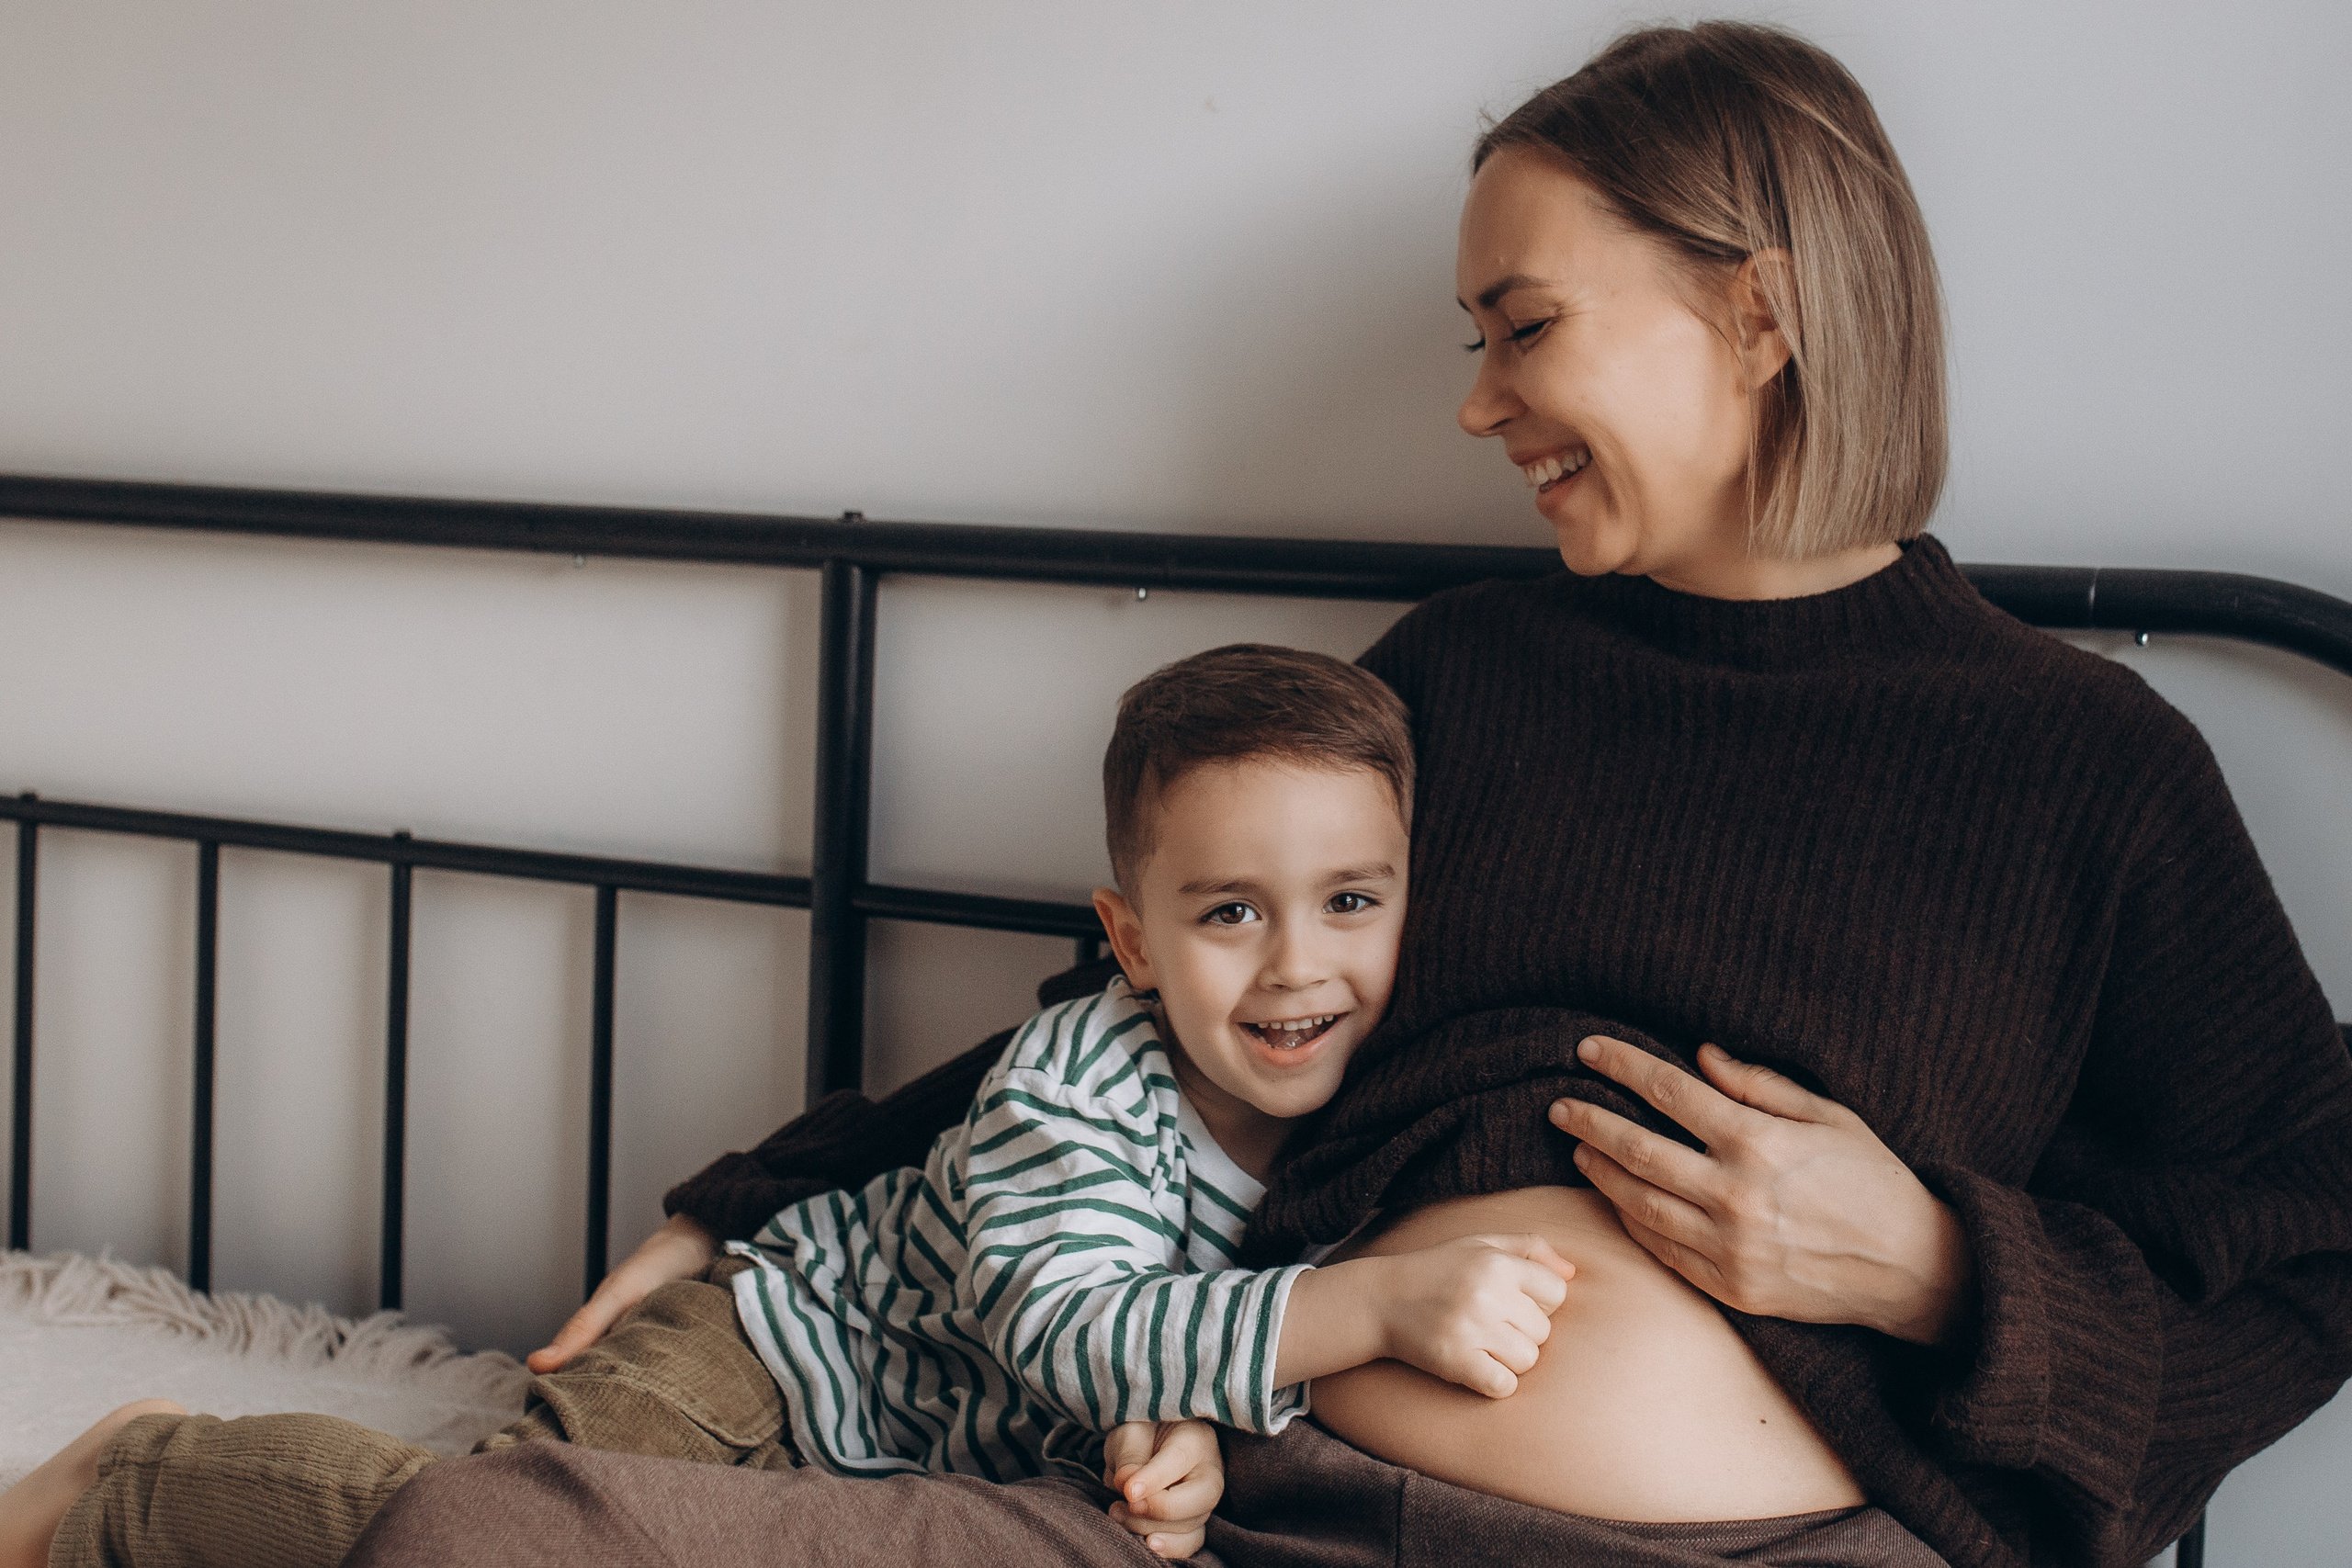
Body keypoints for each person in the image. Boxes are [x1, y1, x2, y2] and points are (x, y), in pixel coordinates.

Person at [345, 20, 2352, 1568]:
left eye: (1524, 330)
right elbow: (1143, 1015)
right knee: (477, 1530)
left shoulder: (2078, 768)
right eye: (1468, 340)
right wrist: (751, 1205)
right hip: (1229, 1486)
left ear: (1757, 310)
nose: (1474, 406)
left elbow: (2311, 1228)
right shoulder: (1465, 677)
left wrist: (1932, 1265)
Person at [722, 643, 1585, 1502]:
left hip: (895, 1469)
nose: (1295, 963)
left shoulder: (1389, 1110)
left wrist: (1178, 1440)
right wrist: (1376, 1306)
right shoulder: (1077, 1081)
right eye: (1232, 911)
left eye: (1348, 901)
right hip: (779, 1347)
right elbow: (1072, 1332)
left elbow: (1166, 1353)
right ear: (1133, 941)